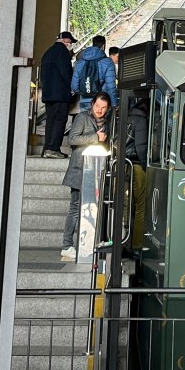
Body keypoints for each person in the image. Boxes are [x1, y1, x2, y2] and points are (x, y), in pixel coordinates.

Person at [60, 92, 112, 259]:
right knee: (75, 208)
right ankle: (67, 245)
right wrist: (95, 137)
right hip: (79, 169)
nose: (99, 110)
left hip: (97, 170)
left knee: (95, 208)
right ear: (92, 105)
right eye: (97, 106)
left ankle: (90, 243)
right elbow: (72, 139)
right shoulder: (82, 118)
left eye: (103, 107)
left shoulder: (109, 122)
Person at [39, 30, 76, 158]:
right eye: (70, 42)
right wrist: (72, 87)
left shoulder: (47, 53)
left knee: (50, 121)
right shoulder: (63, 52)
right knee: (60, 120)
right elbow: (66, 72)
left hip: (48, 94)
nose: (71, 45)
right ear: (65, 41)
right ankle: (54, 148)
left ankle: (46, 148)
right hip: (61, 94)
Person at [125, 92, 149, 251]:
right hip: (136, 165)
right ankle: (137, 244)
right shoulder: (141, 120)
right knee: (141, 206)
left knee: (125, 206)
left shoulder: (126, 116)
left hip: (122, 164)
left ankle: (122, 241)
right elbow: (141, 147)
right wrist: (146, 166)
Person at [71, 34, 109, 110]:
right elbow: (109, 84)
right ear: (103, 46)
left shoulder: (80, 61)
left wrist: (82, 92)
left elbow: (74, 85)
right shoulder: (105, 62)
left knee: (85, 117)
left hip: (84, 100)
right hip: (100, 101)